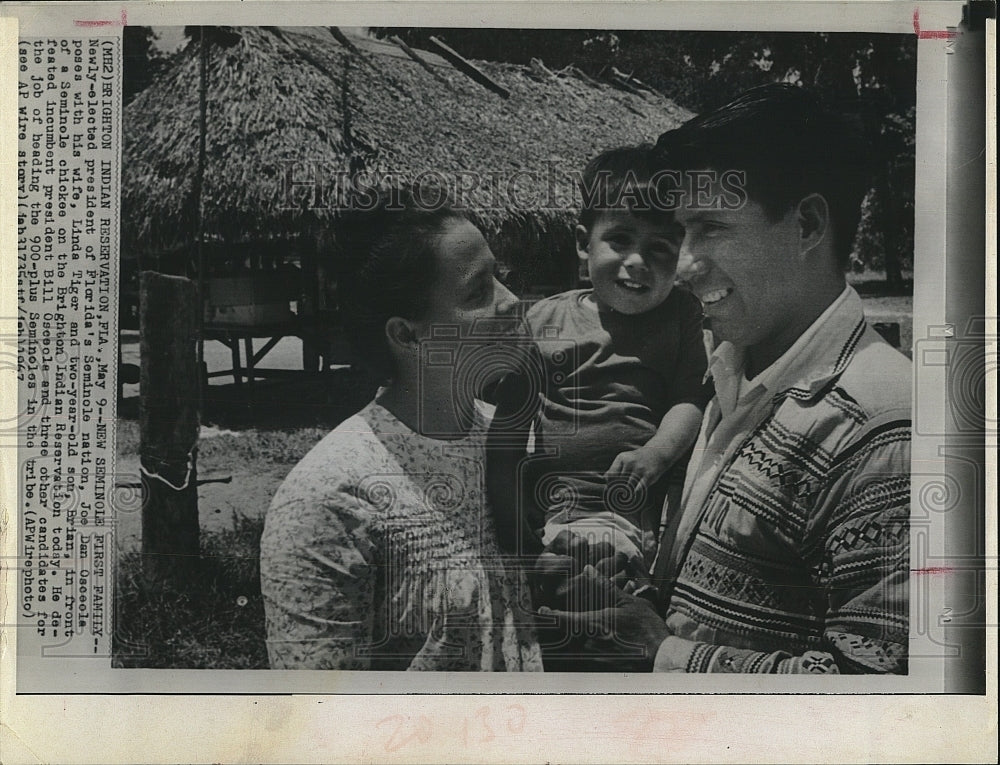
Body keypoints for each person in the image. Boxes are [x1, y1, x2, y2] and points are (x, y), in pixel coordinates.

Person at [542, 83, 912, 674]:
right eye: (682, 232)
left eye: (709, 229)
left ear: (808, 225)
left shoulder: (884, 431)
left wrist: (663, 651)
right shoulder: (735, 373)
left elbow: (877, 693)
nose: (682, 267)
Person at [259, 191, 542, 671]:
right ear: (407, 335)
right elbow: (318, 714)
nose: (512, 302)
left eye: (502, 277)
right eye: (478, 293)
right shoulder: (332, 499)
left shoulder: (514, 440)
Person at [488, 147, 708, 669]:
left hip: (633, 510)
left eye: (660, 248)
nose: (637, 262)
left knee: (619, 611)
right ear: (583, 245)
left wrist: (657, 454)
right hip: (552, 504)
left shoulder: (681, 317)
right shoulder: (545, 319)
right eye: (620, 240)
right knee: (557, 607)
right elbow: (508, 423)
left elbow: (690, 398)